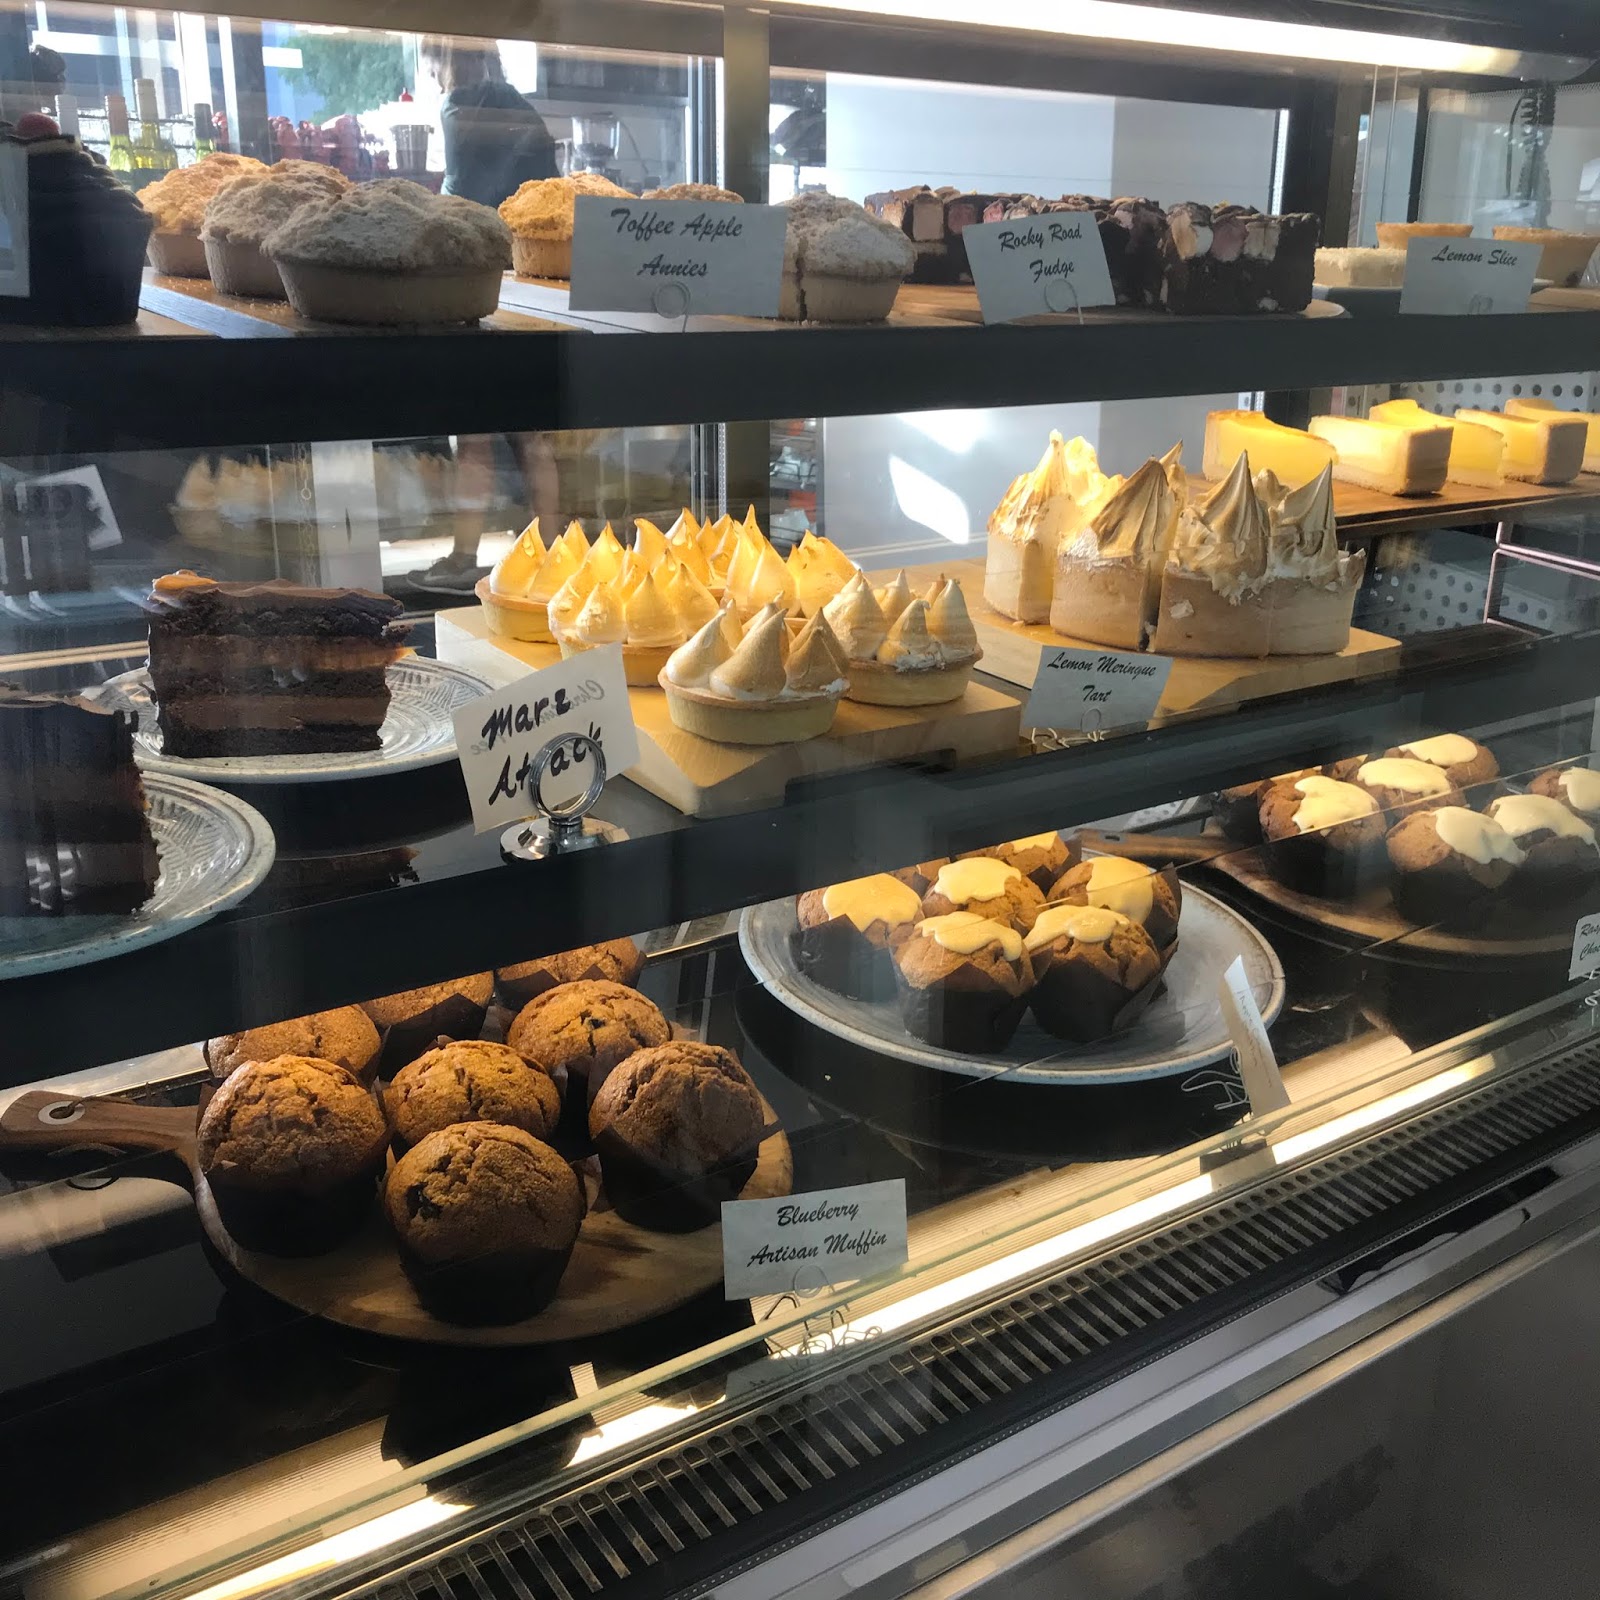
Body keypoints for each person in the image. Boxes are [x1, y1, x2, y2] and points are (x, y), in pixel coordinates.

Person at [417, 36, 556, 209]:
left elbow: (457, 187)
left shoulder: (456, 106)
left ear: (447, 63)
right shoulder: (506, 95)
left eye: (433, 72)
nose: (436, 82)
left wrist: (434, 207)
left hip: (493, 215)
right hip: (534, 208)